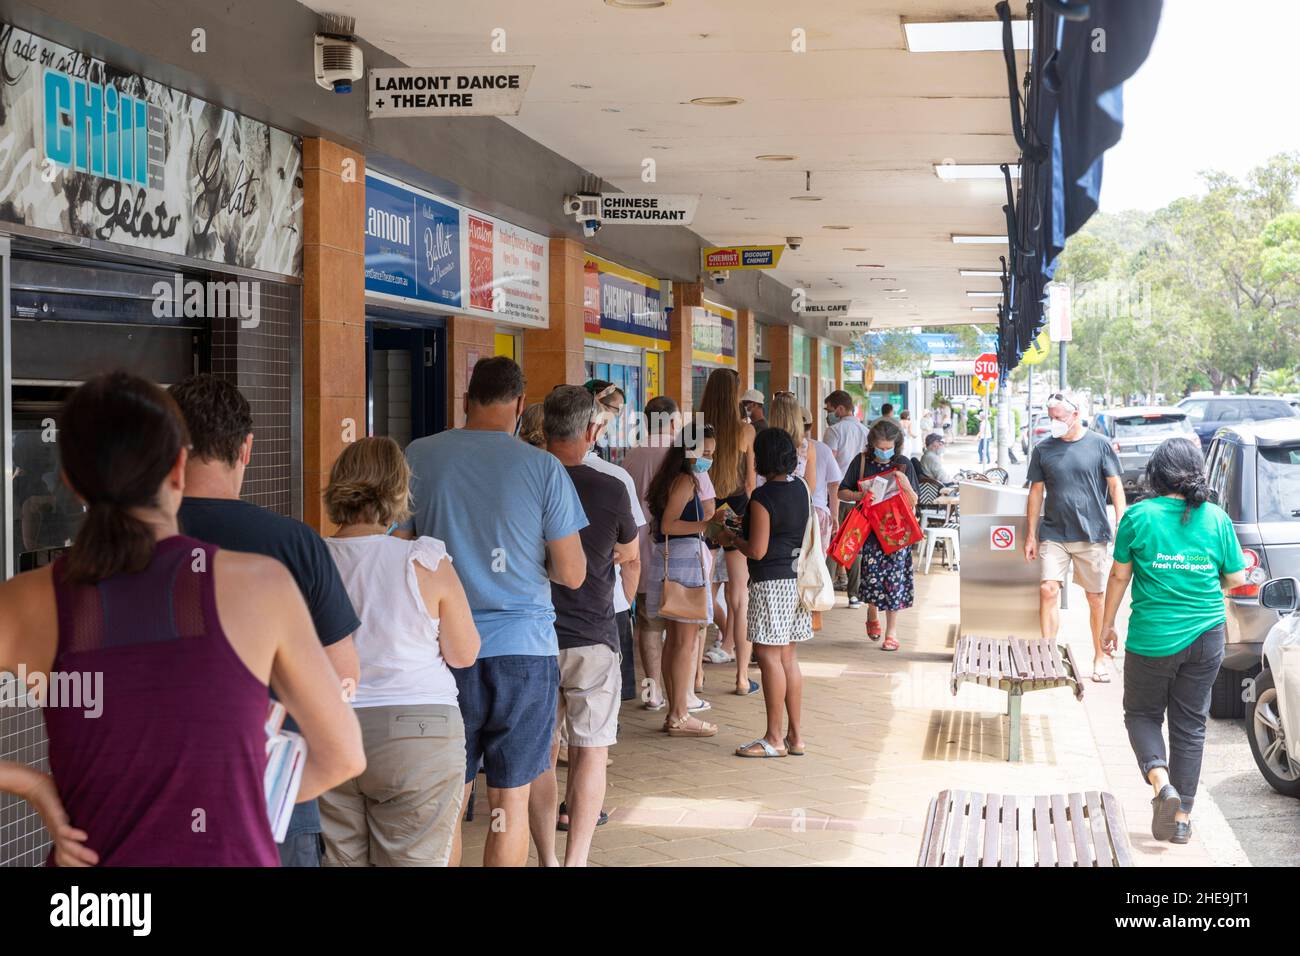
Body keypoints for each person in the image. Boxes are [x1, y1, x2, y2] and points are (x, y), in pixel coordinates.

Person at [0, 372, 364, 866]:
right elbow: (343, 754)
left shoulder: (25, 602)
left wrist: (34, 787)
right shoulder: (261, 585)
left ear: (70, 481)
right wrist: (235, 804)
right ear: (178, 467)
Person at [170, 373, 362, 868]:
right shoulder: (294, 543)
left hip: (153, 800)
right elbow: (344, 677)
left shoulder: (125, 545)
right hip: (274, 798)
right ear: (247, 448)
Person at [402, 356, 587, 868]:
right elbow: (573, 573)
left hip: (442, 654)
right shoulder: (543, 467)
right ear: (521, 404)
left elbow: (397, 550)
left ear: (467, 398)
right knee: (510, 803)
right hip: (524, 655)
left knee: (449, 801)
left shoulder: (420, 454)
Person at [320, 437, 480, 867]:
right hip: (420, 731)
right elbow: (464, 653)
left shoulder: (311, 560)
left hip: (333, 728)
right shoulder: (424, 561)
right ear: (397, 490)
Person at [1101, 438, 1245, 845]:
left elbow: (1119, 576)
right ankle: (1181, 818)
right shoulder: (1216, 518)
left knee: (1142, 715)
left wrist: (1106, 625)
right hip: (1206, 636)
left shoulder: (1139, 516)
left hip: (1152, 638)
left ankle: (1161, 783)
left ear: (1156, 473)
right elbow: (1235, 580)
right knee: (1190, 725)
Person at [529, 387, 638, 867]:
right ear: (592, 431)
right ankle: (576, 861)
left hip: (531, 636)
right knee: (592, 750)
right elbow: (630, 556)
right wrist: (619, 605)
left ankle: (547, 859)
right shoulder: (610, 487)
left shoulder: (522, 479)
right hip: (593, 634)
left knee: (541, 751)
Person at [720, 429, 813, 759]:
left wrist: (734, 539)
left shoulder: (762, 497)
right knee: (789, 657)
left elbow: (757, 551)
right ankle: (795, 737)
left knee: (770, 657)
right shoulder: (800, 487)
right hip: (795, 580)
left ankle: (773, 738)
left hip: (771, 583)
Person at [1024, 391, 1126, 682]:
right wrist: (1031, 535)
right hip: (1054, 532)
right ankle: (1047, 656)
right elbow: (1035, 493)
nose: (1054, 422)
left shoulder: (1100, 445)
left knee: (1095, 598)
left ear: (1075, 414)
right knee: (1047, 589)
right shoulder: (1043, 449)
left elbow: (1116, 487)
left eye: (1059, 417)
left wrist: (1121, 522)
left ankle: (1099, 657)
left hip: (1091, 534)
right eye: (1051, 417)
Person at [644, 422, 719, 737]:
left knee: (675, 642)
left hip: (674, 561)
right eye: (704, 452)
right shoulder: (686, 481)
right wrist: (706, 525)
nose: (707, 460)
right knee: (684, 643)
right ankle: (679, 713)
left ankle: (676, 712)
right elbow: (668, 525)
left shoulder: (673, 477)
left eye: (711, 454)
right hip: (684, 563)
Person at [582, 380, 645, 704]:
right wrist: (625, 601)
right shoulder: (614, 476)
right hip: (608, 601)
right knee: (603, 708)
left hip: (553, 608)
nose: (613, 418)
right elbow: (632, 556)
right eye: (610, 410)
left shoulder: (532, 472)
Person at [702, 369, 759, 695]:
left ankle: (695, 674)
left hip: (708, 512)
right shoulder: (745, 430)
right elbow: (750, 483)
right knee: (740, 594)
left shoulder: (695, 428)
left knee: (703, 589)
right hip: (737, 511)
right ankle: (740, 678)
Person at [840, 419, 919, 651]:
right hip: (870, 531)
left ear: (897, 445)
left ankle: (891, 632)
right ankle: (872, 611)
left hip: (896, 532)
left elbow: (915, 501)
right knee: (871, 577)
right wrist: (861, 496)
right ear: (871, 444)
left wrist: (904, 484)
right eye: (880, 448)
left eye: (888, 448)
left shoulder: (904, 464)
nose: (884, 452)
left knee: (894, 581)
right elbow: (842, 491)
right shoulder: (861, 461)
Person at [823, 390, 871, 607]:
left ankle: (827, 591)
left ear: (840, 409)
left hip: (837, 495)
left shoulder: (833, 431)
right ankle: (854, 595)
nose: (828, 414)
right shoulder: (866, 431)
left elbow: (828, 465)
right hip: (859, 497)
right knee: (855, 545)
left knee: (832, 542)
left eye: (829, 409)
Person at [803, 406, 844, 545]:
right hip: (818, 512)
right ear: (811, 425)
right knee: (817, 563)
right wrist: (834, 515)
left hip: (790, 512)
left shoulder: (785, 447)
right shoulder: (823, 449)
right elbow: (834, 484)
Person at [767, 391, 817, 485]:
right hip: (797, 498)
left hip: (766, 498)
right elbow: (810, 487)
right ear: (797, 416)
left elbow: (752, 483)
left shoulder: (764, 443)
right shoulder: (807, 447)